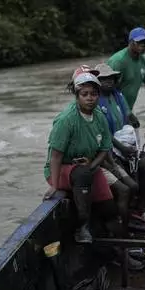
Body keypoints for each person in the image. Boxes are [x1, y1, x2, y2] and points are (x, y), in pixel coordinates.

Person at [43, 66, 116, 244]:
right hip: (61, 169)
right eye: (85, 94)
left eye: (93, 94)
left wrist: (92, 165)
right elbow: (55, 156)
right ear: (77, 96)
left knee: (109, 207)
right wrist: (53, 185)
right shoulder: (66, 120)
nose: (90, 98)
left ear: (99, 95)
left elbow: (105, 148)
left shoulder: (99, 116)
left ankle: (108, 240)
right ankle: (81, 226)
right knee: (82, 173)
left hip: (86, 167)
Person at [92, 63, 145, 227]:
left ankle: (142, 207)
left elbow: (127, 113)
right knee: (130, 185)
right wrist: (122, 148)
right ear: (98, 82)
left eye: (111, 79)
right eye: (104, 79)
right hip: (110, 148)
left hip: (127, 142)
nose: (108, 82)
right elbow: (103, 133)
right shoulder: (95, 101)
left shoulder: (117, 95)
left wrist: (131, 117)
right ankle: (123, 214)